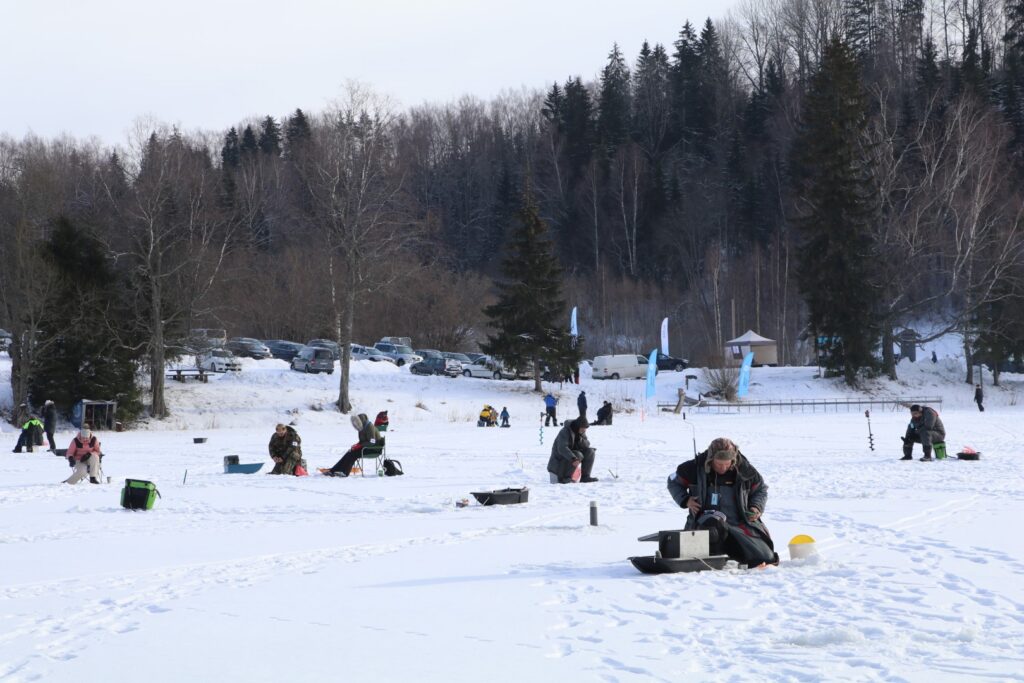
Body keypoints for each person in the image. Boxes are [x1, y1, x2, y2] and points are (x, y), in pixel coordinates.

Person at [667, 437, 777, 568]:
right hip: (705, 526)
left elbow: (760, 489)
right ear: (710, 459)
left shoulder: (745, 470)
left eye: (727, 463)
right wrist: (685, 500)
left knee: (765, 559)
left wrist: (756, 507)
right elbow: (673, 481)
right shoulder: (694, 467)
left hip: (739, 526)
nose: (723, 468)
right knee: (714, 525)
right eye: (719, 464)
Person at [547, 417, 598, 483]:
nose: (584, 430)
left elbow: (587, 444)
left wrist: (581, 440)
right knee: (578, 455)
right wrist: (573, 458)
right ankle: (565, 478)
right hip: (559, 460)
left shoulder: (581, 431)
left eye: (585, 428)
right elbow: (562, 448)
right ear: (577, 426)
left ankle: (585, 477)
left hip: (571, 458)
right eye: (583, 428)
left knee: (590, 452)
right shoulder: (565, 432)